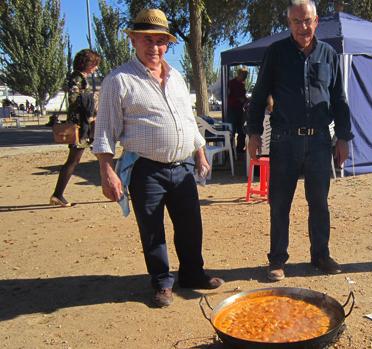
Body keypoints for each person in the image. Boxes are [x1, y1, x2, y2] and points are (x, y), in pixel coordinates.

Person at [92, 8, 223, 308]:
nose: (155, 47)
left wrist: (199, 153)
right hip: (145, 169)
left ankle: (192, 274)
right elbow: (105, 130)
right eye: (147, 40)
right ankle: (162, 283)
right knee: (152, 231)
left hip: (183, 167)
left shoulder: (176, 77)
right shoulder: (119, 80)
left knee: (191, 226)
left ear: (167, 44)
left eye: (161, 41)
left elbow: (188, 120)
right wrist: (106, 171)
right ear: (134, 41)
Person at [246, 0, 353, 282]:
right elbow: (259, 96)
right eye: (296, 21)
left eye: (307, 20)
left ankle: (321, 255)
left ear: (316, 21)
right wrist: (253, 133)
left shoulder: (329, 54)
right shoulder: (276, 53)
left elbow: (340, 100)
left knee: (319, 203)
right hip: (284, 142)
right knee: (279, 204)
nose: (303, 27)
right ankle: (277, 260)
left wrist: (344, 137)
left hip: (319, 142)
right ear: (289, 24)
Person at [49, 49, 101, 207]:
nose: (96, 68)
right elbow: (74, 99)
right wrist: (90, 100)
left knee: (101, 153)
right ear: (88, 63)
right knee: (74, 160)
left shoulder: (80, 78)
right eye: (95, 64)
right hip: (80, 127)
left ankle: (116, 186)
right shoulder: (77, 78)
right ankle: (57, 195)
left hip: (85, 125)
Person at [227, 67, 248, 153]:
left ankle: (240, 148)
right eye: (244, 75)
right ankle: (230, 150)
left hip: (240, 109)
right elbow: (228, 97)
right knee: (231, 130)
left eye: (245, 76)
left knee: (241, 130)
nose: (245, 77)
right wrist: (239, 99)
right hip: (232, 109)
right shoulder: (231, 83)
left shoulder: (242, 85)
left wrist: (246, 100)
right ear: (239, 74)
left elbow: (243, 97)